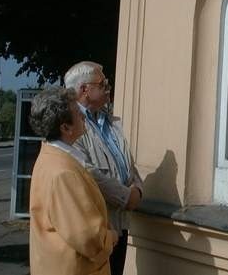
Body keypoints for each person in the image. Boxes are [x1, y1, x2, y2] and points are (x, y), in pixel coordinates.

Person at [64, 61, 144, 275]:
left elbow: (128, 164)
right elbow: (89, 173)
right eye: (102, 83)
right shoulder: (71, 125)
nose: (108, 87)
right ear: (84, 90)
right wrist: (127, 197)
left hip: (121, 224)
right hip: (99, 229)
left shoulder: (110, 122)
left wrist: (138, 188)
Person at [29, 87, 117, 275]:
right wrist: (111, 238)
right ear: (65, 127)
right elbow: (87, 236)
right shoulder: (63, 172)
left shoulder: (51, 156)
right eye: (78, 113)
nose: (83, 116)